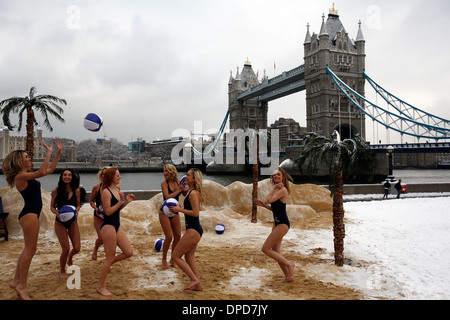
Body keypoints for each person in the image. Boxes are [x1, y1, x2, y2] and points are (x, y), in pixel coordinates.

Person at [2, 141, 64, 300]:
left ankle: (16, 281)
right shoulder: (20, 176)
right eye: (26, 157)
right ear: (18, 161)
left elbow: (49, 170)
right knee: (30, 250)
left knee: (27, 250)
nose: (29, 158)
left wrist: (57, 153)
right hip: (29, 215)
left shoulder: (25, 175)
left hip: (31, 214)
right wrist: (48, 152)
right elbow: (43, 171)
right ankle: (22, 287)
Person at [96, 167, 134, 297]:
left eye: (119, 175)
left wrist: (126, 203)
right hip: (108, 227)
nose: (120, 177)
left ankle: (109, 264)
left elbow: (117, 209)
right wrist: (120, 202)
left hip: (116, 225)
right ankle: (100, 286)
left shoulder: (116, 190)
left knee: (128, 252)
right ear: (111, 177)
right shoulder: (106, 192)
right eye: (117, 175)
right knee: (109, 256)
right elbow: (107, 211)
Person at [256, 167, 295, 282]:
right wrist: (263, 205)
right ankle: (288, 276)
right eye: (274, 175)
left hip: (282, 224)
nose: (276, 176)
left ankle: (289, 264)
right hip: (277, 223)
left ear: (283, 177)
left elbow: (269, 199)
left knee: (265, 249)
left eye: (278, 174)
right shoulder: (279, 190)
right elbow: (276, 208)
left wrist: (273, 188)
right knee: (275, 251)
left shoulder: (282, 190)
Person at [170, 168, 203, 291]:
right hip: (193, 229)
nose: (186, 177)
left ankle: (194, 279)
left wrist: (179, 210)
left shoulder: (194, 193)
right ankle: (198, 286)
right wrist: (181, 188)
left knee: (176, 257)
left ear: (194, 179)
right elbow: (186, 196)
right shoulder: (190, 192)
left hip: (194, 230)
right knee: (189, 258)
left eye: (188, 175)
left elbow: (195, 213)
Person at [50, 169, 81, 279]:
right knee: (66, 248)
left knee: (77, 248)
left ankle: (70, 257)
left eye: (69, 175)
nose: (67, 177)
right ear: (61, 177)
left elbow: (78, 205)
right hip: (60, 222)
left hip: (72, 221)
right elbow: (52, 207)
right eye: (65, 175)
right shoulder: (56, 191)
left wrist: (77, 211)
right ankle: (62, 270)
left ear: (72, 177)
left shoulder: (77, 190)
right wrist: (56, 213)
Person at [159, 164, 184, 269]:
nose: (165, 173)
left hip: (175, 212)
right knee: (169, 237)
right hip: (164, 212)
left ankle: (173, 259)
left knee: (178, 236)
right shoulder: (164, 184)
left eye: (167, 171)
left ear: (172, 172)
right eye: (164, 171)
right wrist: (179, 190)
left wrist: (186, 187)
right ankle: (164, 259)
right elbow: (167, 196)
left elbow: (185, 193)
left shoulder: (178, 182)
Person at [89, 167, 109, 261]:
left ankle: (107, 259)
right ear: (101, 176)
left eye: (107, 174)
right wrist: (96, 208)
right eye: (103, 174)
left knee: (108, 238)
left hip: (109, 215)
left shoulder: (115, 187)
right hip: (98, 215)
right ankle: (95, 249)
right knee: (101, 238)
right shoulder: (96, 187)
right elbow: (91, 201)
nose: (105, 176)